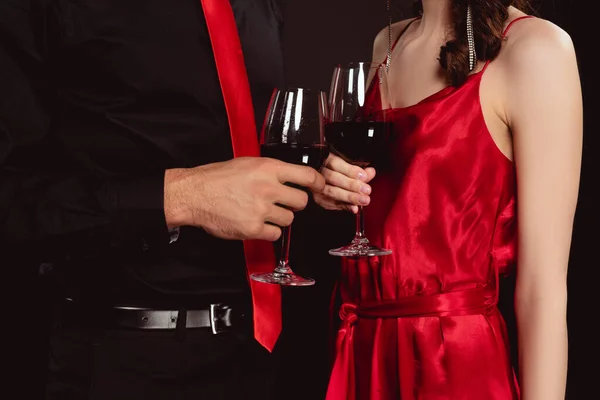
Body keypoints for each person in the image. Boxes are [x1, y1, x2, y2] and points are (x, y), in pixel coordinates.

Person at [0, 0, 326, 399]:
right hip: (128, 362)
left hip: (271, 358)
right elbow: (12, 199)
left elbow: (253, 155)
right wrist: (182, 197)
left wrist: (319, 182)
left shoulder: (258, 8)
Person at [314, 0, 582, 398]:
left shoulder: (536, 48)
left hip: (453, 365)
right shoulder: (386, 43)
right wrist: (336, 186)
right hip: (364, 354)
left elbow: (542, 291)